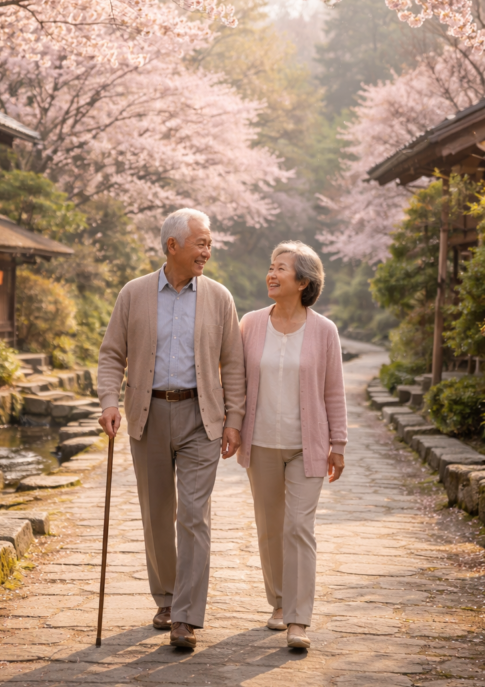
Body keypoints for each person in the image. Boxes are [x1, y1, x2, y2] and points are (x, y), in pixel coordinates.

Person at [98, 208, 246, 649]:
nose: (207, 251)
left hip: (202, 417)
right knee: (157, 513)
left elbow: (233, 364)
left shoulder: (219, 297)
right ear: (172, 246)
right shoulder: (134, 293)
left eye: (209, 244)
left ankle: (185, 616)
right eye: (201, 243)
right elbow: (112, 354)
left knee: (194, 515)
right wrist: (109, 402)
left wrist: (234, 419)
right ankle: (165, 597)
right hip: (149, 414)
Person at [237, 240, 346, 650]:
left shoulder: (324, 330)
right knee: (269, 527)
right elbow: (236, 381)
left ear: (302, 282)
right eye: (271, 266)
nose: (271, 273)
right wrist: (231, 424)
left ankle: (298, 620)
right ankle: (280, 603)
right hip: (261, 442)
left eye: (281, 268)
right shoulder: (250, 324)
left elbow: (334, 391)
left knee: (299, 527)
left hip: (307, 446)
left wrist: (338, 442)